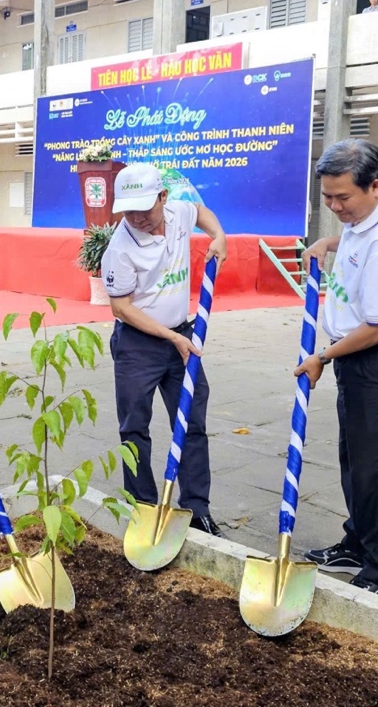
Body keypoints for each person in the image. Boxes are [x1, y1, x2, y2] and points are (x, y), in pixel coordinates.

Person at [295, 138, 378, 602]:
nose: (334, 207)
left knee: (377, 469)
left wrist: (323, 358)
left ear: (374, 186)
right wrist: (329, 242)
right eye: (327, 197)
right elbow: (353, 237)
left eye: (342, 198)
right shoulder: (367, 217)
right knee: (355, 461)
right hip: (358, 357)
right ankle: (358, 541)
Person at [100, 163, 227, 537]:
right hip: (138, 344)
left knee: (191, 423)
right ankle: (144, 509)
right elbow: (121, 307)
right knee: (134, 427)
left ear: (163, 197)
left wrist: (218, 235)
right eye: (128, 210)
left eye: (144, 207)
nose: (137, 217)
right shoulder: (120, 249)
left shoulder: (178, 213)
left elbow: (201, 214)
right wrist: (171, 338)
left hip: (181, 337)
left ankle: (197, 509)